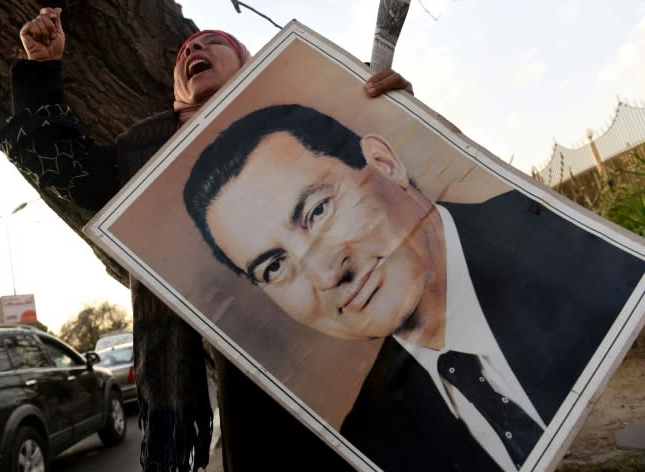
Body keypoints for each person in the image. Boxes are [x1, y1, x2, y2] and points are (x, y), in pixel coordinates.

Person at [0, 8, 414, 472]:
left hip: (373, 362)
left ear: (247, 62)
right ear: (176, 93)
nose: (193, 48)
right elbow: (60, 165)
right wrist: (40, 68)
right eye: (182, 54)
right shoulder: (147, 157)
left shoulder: (312, 116)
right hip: (253, 384)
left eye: (211, 41)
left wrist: (397, 112)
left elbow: (409, 181)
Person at [182, 103, 645, 471]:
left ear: (384, 164)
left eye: (318, 211)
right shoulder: (370, 439)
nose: (325, 274)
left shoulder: (579, 252)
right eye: (275, 266)